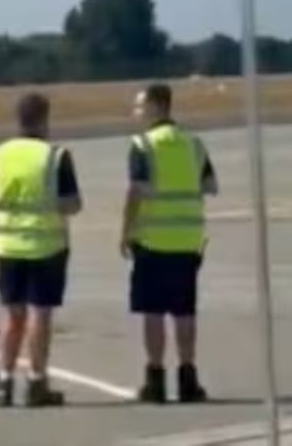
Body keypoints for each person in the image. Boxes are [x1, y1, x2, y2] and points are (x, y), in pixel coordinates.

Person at [0, 93, 82, 408]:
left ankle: (4, 382)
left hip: (8, 246)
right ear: (44, 119)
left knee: (13, 315)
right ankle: (37, 381)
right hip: (46, 246)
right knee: (40, 314)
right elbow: (72, 204)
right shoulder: (55, 156)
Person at [121, 84, 216, 404]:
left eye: (140, 106)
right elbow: (209, 185)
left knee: (153, 312)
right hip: (187, 240)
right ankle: (189, 378)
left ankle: (156, 379)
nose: (136, 112)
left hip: (152, 239)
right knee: (184, 311)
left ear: (157, 106)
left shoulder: (143, 145)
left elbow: (135, 190)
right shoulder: (193, 144)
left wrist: (126, 231)